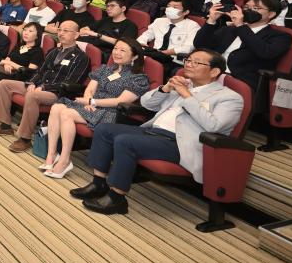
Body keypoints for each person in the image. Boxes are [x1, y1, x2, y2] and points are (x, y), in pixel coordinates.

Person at [70, 50, 242, 216]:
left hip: (180, 143)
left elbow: (214, 126)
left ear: (214, 71)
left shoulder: (229, 98)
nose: (189, 65)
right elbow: (146, 104)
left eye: (196, 62)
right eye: (188, 60)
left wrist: (187, 96)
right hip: (153, 131)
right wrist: (165, 89)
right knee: (104, 129)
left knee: (125, 141)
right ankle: (99, 183)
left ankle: (117, 198)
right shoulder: (182, 85)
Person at [41, 39, 150, 178]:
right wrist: (88, 102)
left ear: (135, 56)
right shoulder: (105, 69)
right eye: (115, 48)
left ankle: (64, 160)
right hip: (92, 106)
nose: (116, 53)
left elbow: (120, 101)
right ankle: (51, 155)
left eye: (123, 50)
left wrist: (92, 101)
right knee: (56, 107)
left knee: (66, 113)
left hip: (110, 112)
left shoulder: (138, 78)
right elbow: (90, 89)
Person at [0, 21, 90, 153]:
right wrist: (32, 83)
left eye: (66, 31)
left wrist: (44, 87)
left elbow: (72, 81)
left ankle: (25, 138)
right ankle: (5, 125)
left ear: (76, 35)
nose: (61, 33)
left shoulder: (81, 57)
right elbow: (39, 71)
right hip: (39, 86)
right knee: (4, 84)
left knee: (33, 94)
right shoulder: (53, 51)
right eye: (60, 30)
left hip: (58, 93)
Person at [193, 0, 292, 93]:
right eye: (246, 7)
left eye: (255, 8)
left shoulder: (281, 36)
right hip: (211, 75)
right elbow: (200, 45)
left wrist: (241, 26)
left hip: (241, 81)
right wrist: (211, 20)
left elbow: (264, 52)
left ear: (271, 14)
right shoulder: (229, 30)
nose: (249, 11)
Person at [137, 0, 200, 78]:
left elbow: (188, 47)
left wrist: (163, 53)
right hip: (153, 56)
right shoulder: (159, 21)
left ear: (185, 12)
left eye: (175, 7)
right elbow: (145, 36)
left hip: (174, 60)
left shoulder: (192, 26)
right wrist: (142, 44)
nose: (170, 9)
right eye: (168, 6)